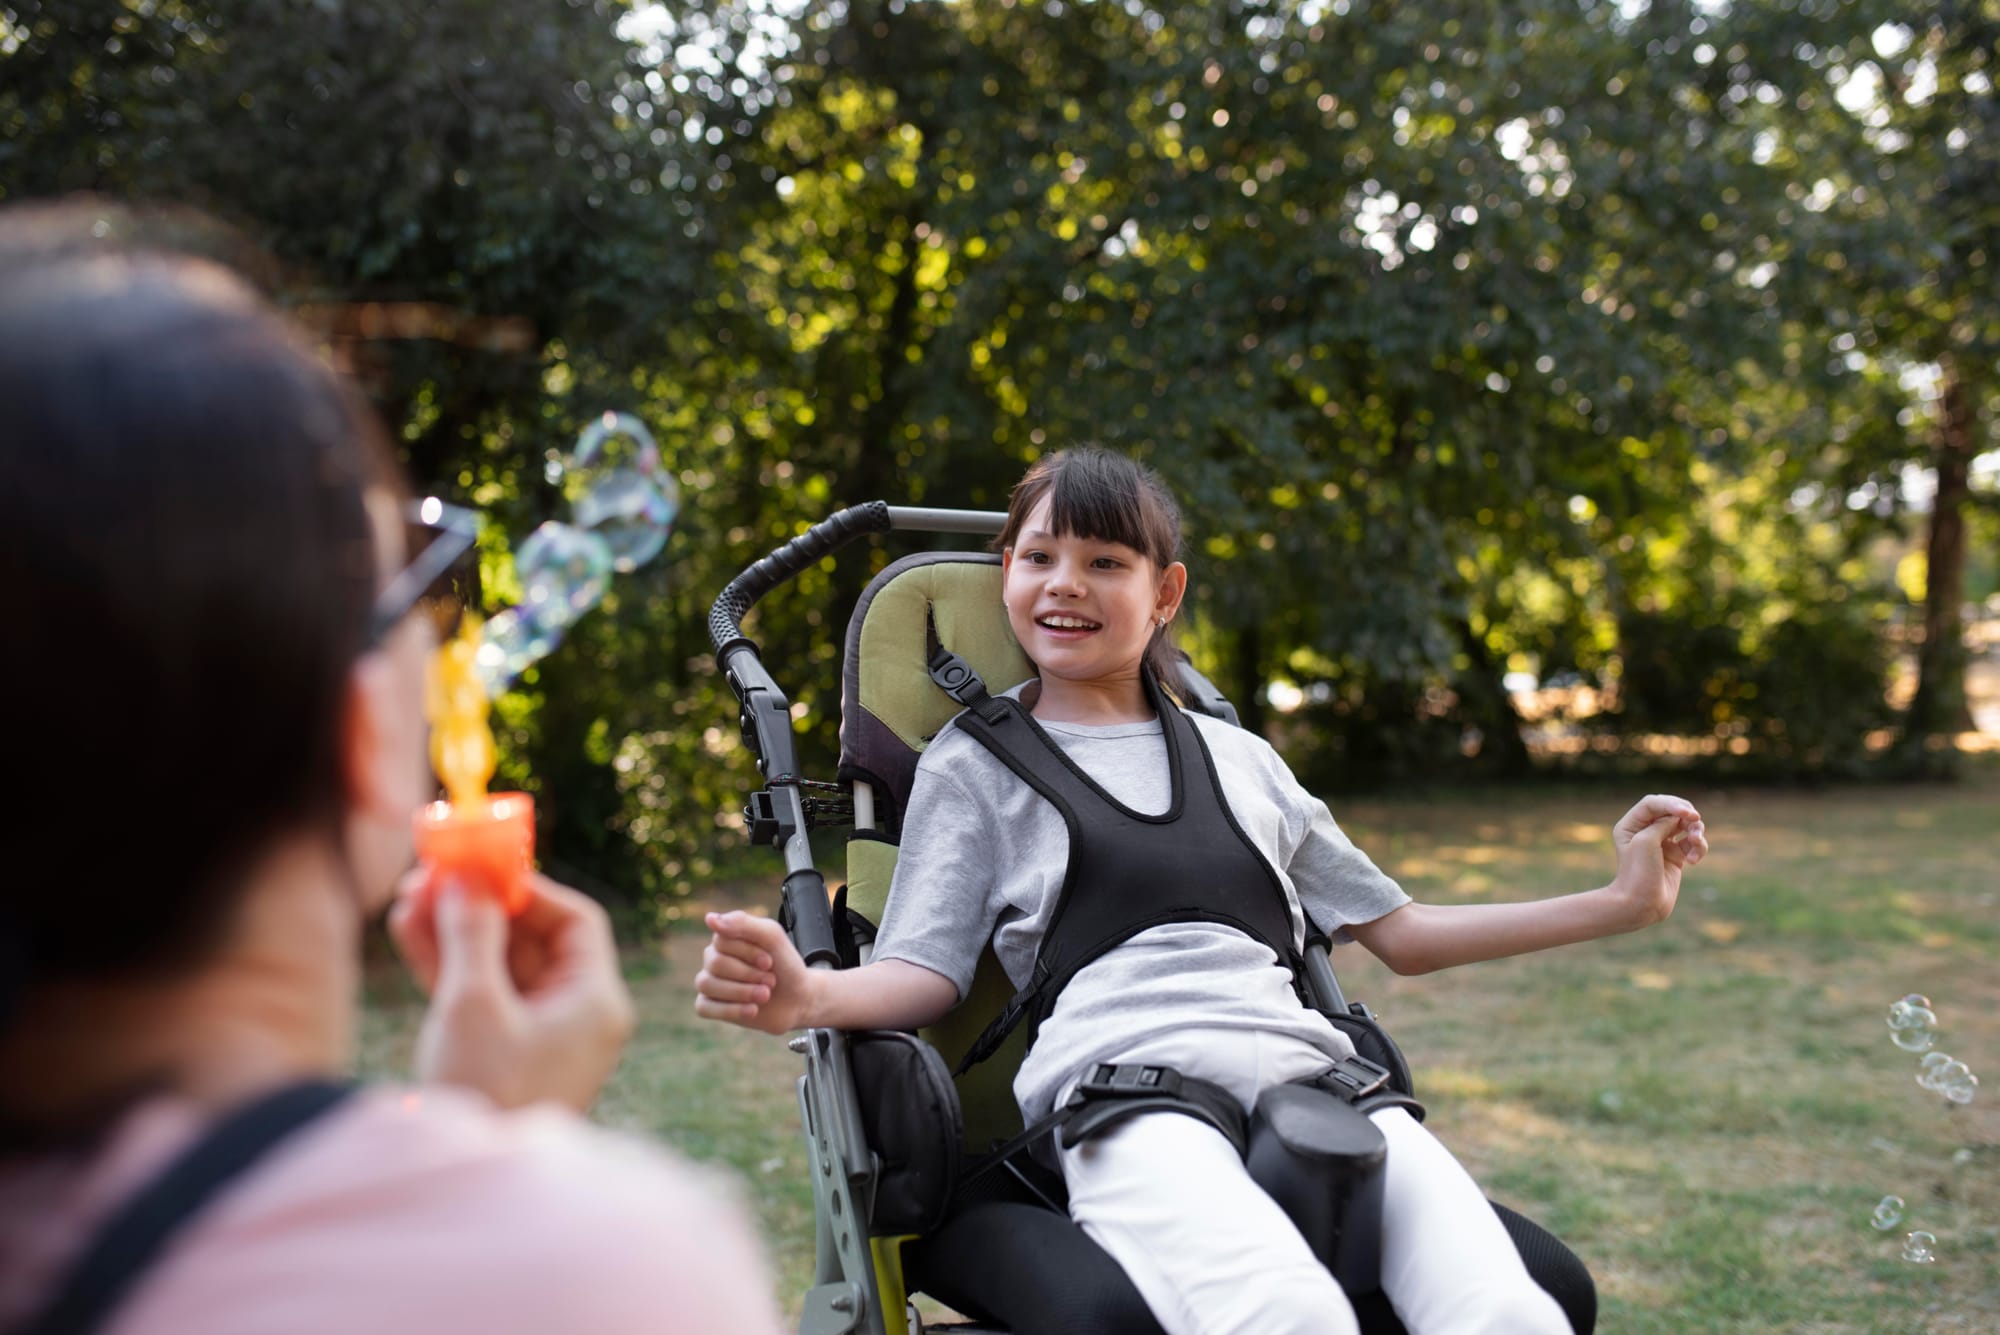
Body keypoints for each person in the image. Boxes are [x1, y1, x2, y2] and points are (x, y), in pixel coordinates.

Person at [695, 446, 1710, 1335]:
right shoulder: (974, 764)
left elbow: (1401, 933)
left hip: (1319, 1091)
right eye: (1039, 557)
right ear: (1005, 572)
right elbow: (922, 971)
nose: (1065, 585)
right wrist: (809, 996)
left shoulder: (1243, 760)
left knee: (1506, 1310)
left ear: (1164, 592)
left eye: (1104, 562)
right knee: (1288, 1316)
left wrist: (1620, 902)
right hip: (1131, 1104)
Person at [0, 204, 783, 1335]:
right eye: (413, 584)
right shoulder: (600, 1277)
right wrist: (509, 1180)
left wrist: (466, 1128)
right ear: (359, 738)